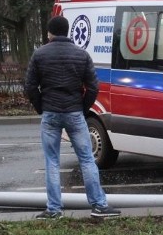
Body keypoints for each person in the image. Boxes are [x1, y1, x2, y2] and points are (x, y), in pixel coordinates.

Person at [24, 15, 120, 220]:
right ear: (67, 32)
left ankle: (54, 209)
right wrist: (82, 108)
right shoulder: (82, 55)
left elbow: (30, 86)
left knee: (52, 161)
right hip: (74, 113)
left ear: (49, 33)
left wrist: (41, 106)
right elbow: (94, 87)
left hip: (50, 113)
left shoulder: (39, 55)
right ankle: (99, 205)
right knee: (87, 159)